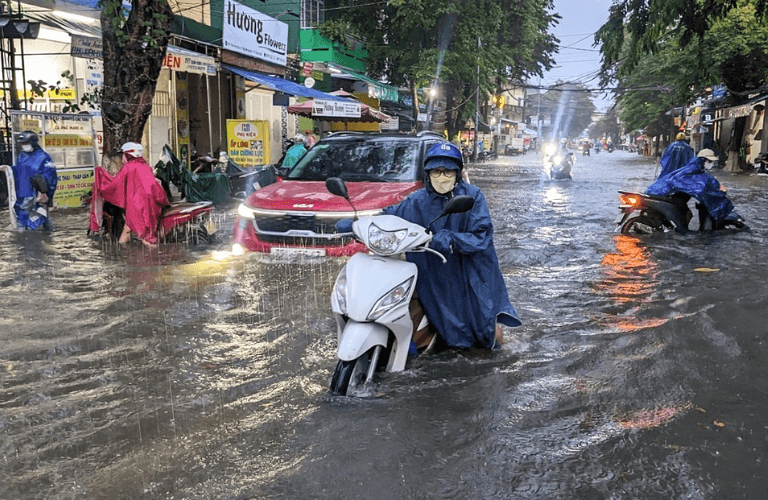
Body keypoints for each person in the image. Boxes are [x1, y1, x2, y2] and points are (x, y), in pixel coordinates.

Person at [378, 142, 521, 349]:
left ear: (458, 172)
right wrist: (360, 222)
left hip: (468, 272)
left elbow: (481, 237)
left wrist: (451, 239)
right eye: (437, 171)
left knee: (487, 335)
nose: (442, 176)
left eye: (448, 171)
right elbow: (392, 215)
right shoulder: (416, 201)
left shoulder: (472, 197)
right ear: (428, 173)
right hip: (433, 272)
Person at [89, 142, 169, 247]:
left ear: (128, 155)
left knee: (143, 237)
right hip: (152, 203)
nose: (122, 158)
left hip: (138, 206)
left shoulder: (130, 167)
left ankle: (156, 253)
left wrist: (101, 179)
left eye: (123, 155)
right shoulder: (145, 166)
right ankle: (120, 249)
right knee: (128, 229)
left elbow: (115, 186)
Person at [646, 149, 735, 228]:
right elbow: (700, 188)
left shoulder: (694, 170)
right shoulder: (693, 172)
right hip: (674, 199)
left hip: (672, 197)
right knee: (686, 215)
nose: (711, 164)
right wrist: (717, 192)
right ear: (703, 160)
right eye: (710, 161)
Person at [0, 130, 58, 231]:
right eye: (22, 144)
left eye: (26, 143)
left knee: (39, 214)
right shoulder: (22, 156)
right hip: (24, 192)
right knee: (25, 214)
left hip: (38, 192)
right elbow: (20, 170)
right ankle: (30, 233)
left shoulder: (43, 157)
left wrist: (46, 192)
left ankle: (33, 236)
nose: (24, 146)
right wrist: (9, 169)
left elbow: (50, 176)